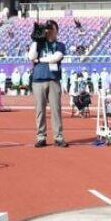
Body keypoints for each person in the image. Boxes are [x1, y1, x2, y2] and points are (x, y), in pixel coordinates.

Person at [27, 20, 68, 148]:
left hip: (53, 79)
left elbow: (56, 57)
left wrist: (39, 60)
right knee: (40, 110)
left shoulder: (60, 44)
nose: (49, 31)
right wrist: (35, 40)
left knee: (56, 109)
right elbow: (30, 56)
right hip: (38, 79)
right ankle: (41, 136)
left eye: (51, 28)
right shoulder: (38, 44)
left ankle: (58, 137)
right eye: (47, 28)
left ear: (56, 30)